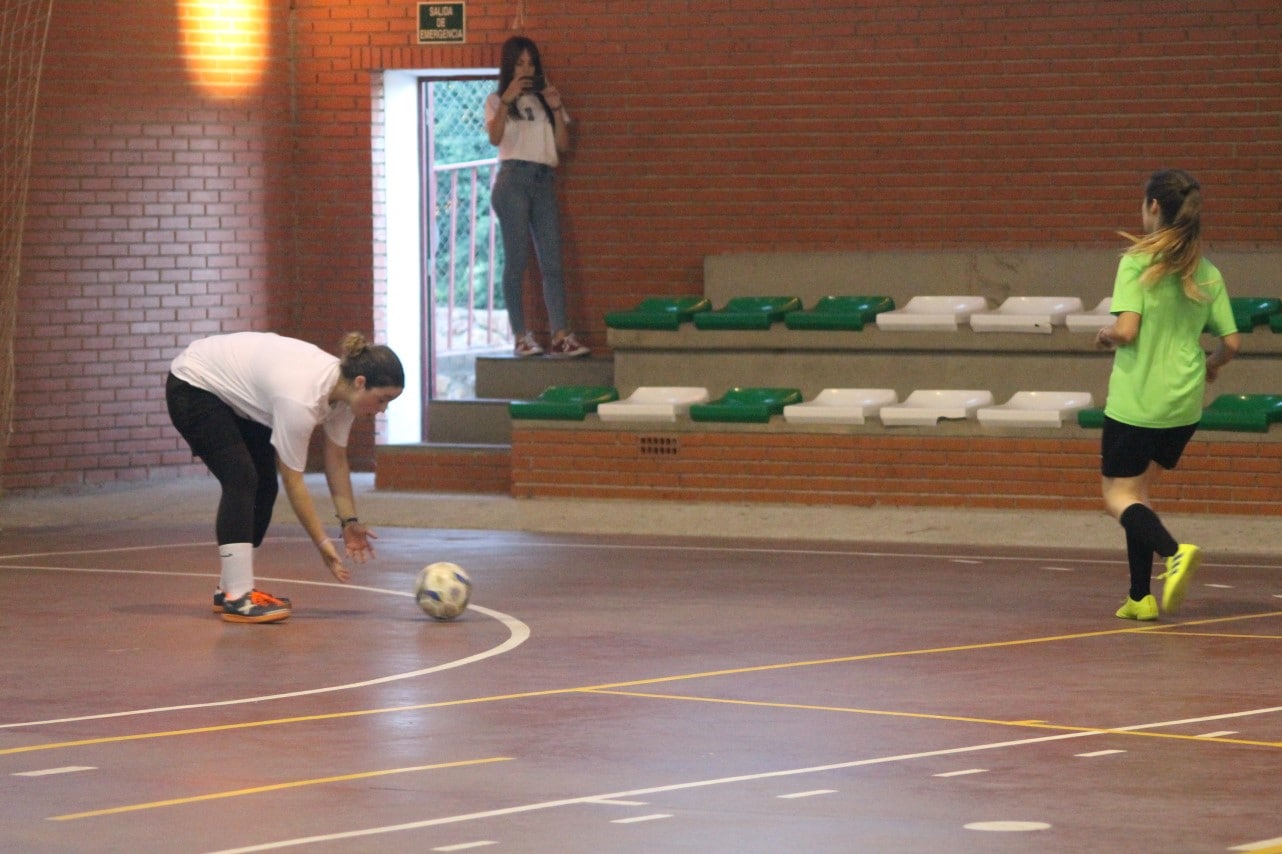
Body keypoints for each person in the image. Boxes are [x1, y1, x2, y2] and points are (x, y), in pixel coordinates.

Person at [166, 331, 404, 623]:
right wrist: (321, 544)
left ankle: (230, 587)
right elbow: (294, 481)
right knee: (241, 478)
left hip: (237, 397)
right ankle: (238, 598)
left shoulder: (343, 399)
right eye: (382, 399)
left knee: (264, 486)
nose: (382, 410)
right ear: (360, 383)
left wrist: (349, 521)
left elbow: (336, 461)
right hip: (194, 384)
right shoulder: (301, 400)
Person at [1095, 168, 1240, 622]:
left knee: (1117, 496)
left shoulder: (1137, 263)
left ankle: (1174, 552)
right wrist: (1211, 366)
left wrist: (1105, 334)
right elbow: (1232, 343)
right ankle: (1140, 596)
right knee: (1138, 493)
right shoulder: (1208, 271)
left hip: (1138, 401)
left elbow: (1127, 330)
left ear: (1153, 207)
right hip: (1183, 404)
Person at [485, 35, 589, 359]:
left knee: (553, 261)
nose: (526, 69)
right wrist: (506, 101)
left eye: (530, 63)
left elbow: (562, 145)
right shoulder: (496, 99)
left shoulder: (544, 99)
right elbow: (494, 137)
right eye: (519, 63)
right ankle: (520, 335)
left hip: (544, 179)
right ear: (509, 66)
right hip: (513, 179)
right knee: (517, 260)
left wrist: (556, 107)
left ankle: (561, 333)